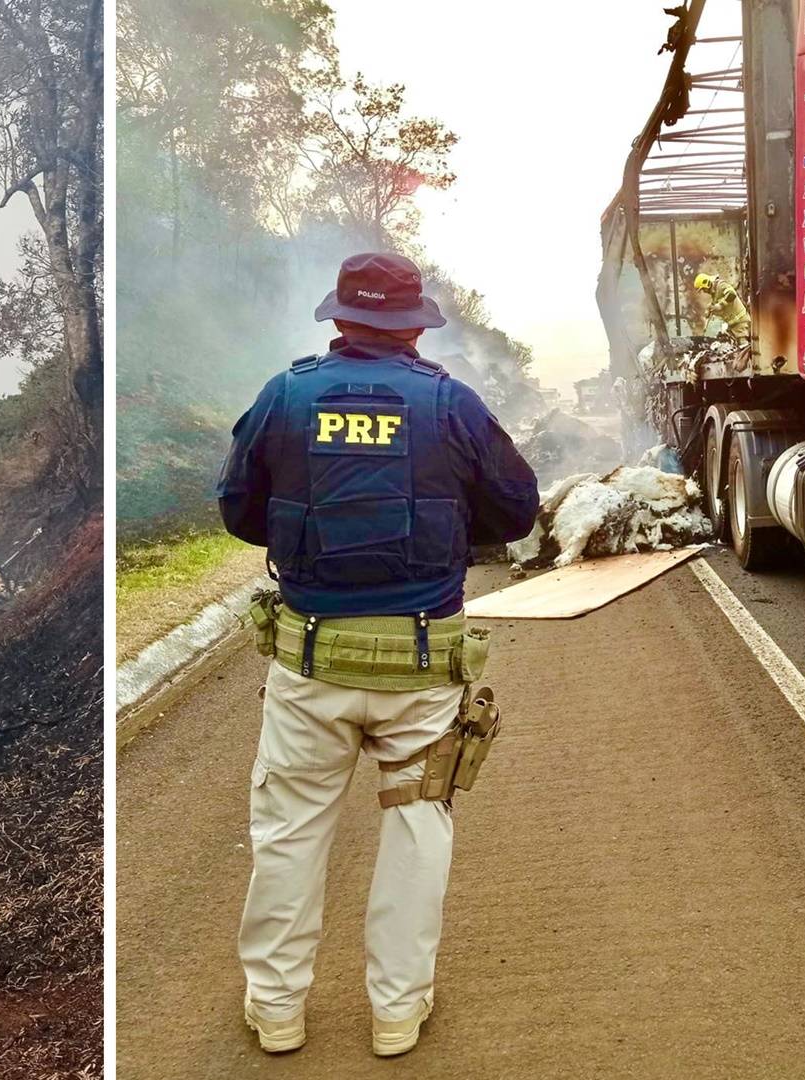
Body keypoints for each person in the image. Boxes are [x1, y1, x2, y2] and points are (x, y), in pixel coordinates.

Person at [216, 252, 539, 1057]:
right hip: (422, 667)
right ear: (414, 325)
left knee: (289, 834)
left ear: (339, 319)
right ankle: (398, 1012)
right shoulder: (450, 404)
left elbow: (238, 511)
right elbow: (519, 509)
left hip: (310, 665)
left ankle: (277, 1009)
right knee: (416, 830)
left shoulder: (284, 396)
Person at [693, 271, 751, 347]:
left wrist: (721, 305)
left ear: (706, 283)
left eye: (703, 289)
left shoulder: (721, 285)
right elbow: (717, 302)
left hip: (740, 321)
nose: (704, 292)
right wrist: (710, 308)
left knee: (744, 345)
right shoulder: (715, 292)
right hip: (734, 324)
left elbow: (731, 294)